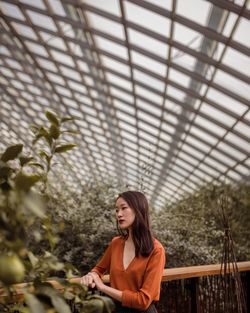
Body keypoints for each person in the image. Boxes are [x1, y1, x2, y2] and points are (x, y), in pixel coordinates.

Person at [80, 191, 166, 313]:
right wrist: (92, 275)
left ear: (138, 209)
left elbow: (143, 301)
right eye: (116, 210)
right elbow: (99, 269)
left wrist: (102, 287)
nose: (119, 214)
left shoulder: (157, 250)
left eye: (124, 208)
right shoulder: (116, 243)